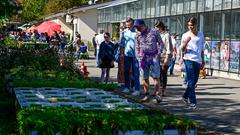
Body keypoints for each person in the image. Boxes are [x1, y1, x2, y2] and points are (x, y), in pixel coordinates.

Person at [135, 19, 164, 103]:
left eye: (139, 27)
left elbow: (161, 43)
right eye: (136, 28)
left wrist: (159, 53)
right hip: (143, 58)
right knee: (144, 77)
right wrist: (138, 58)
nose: (138, 29)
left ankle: (158, 95)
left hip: (153, 57)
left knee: (156, 76)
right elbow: (136, 47)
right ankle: (146, 95)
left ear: (143, 25)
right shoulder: (137, 34)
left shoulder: (154, 31)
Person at [181, 17, 205, 110]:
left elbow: (202, 48)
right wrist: (186, 42)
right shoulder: (185, 35)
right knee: (190, 80)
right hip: (188, 59)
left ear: (195, 25)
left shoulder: (201, 34)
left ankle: (185, 96)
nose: (190, 27)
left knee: (195, 81)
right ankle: (193, 102)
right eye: (188, 25)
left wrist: (203, 60)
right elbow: (182, 49)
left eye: (192, 25)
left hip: (197, 60)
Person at [120, 17, 140, 96]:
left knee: (136, 72)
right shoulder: (124, 32)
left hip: (136, 55)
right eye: (126, 22)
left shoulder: (137, 31)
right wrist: (121, 54)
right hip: (127, 54)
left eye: (128, 22)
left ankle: (136, 88)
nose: (127, 23)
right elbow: (122, 44)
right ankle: (127, 87)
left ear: (132, 22)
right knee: (126, 71)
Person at [155, 21, 173, 97]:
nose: (155, 28)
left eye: (157, 27)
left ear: (161, 27)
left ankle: (163, 90)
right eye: (155, 27)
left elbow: (169, 47)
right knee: (156, 74)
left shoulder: (166, 35)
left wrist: (167, 58)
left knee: (163, 74)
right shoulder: (156, 35)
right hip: (156, 57)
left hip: (164, 56)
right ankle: (157, 90)